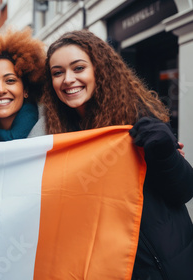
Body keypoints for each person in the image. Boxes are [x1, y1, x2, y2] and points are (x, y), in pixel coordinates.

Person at [43, 29, 193, 279]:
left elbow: (184, 191)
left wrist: (166, 153)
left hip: (165, 263)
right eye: (57, 72)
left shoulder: (138, 121)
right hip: (106, 267)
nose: (67, 79)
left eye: (78, 68)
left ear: (99, 70)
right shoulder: (56, 137)